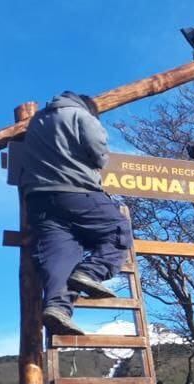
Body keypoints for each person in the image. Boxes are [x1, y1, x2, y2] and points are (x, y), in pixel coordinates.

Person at [19, 91, 132, 335]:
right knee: (118, 231)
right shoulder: (82, 116)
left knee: (61, 254)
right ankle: (91, 271)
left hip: (38, 200)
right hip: (76, 191)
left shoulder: (36, 122)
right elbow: (98, 151)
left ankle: (57, 307)